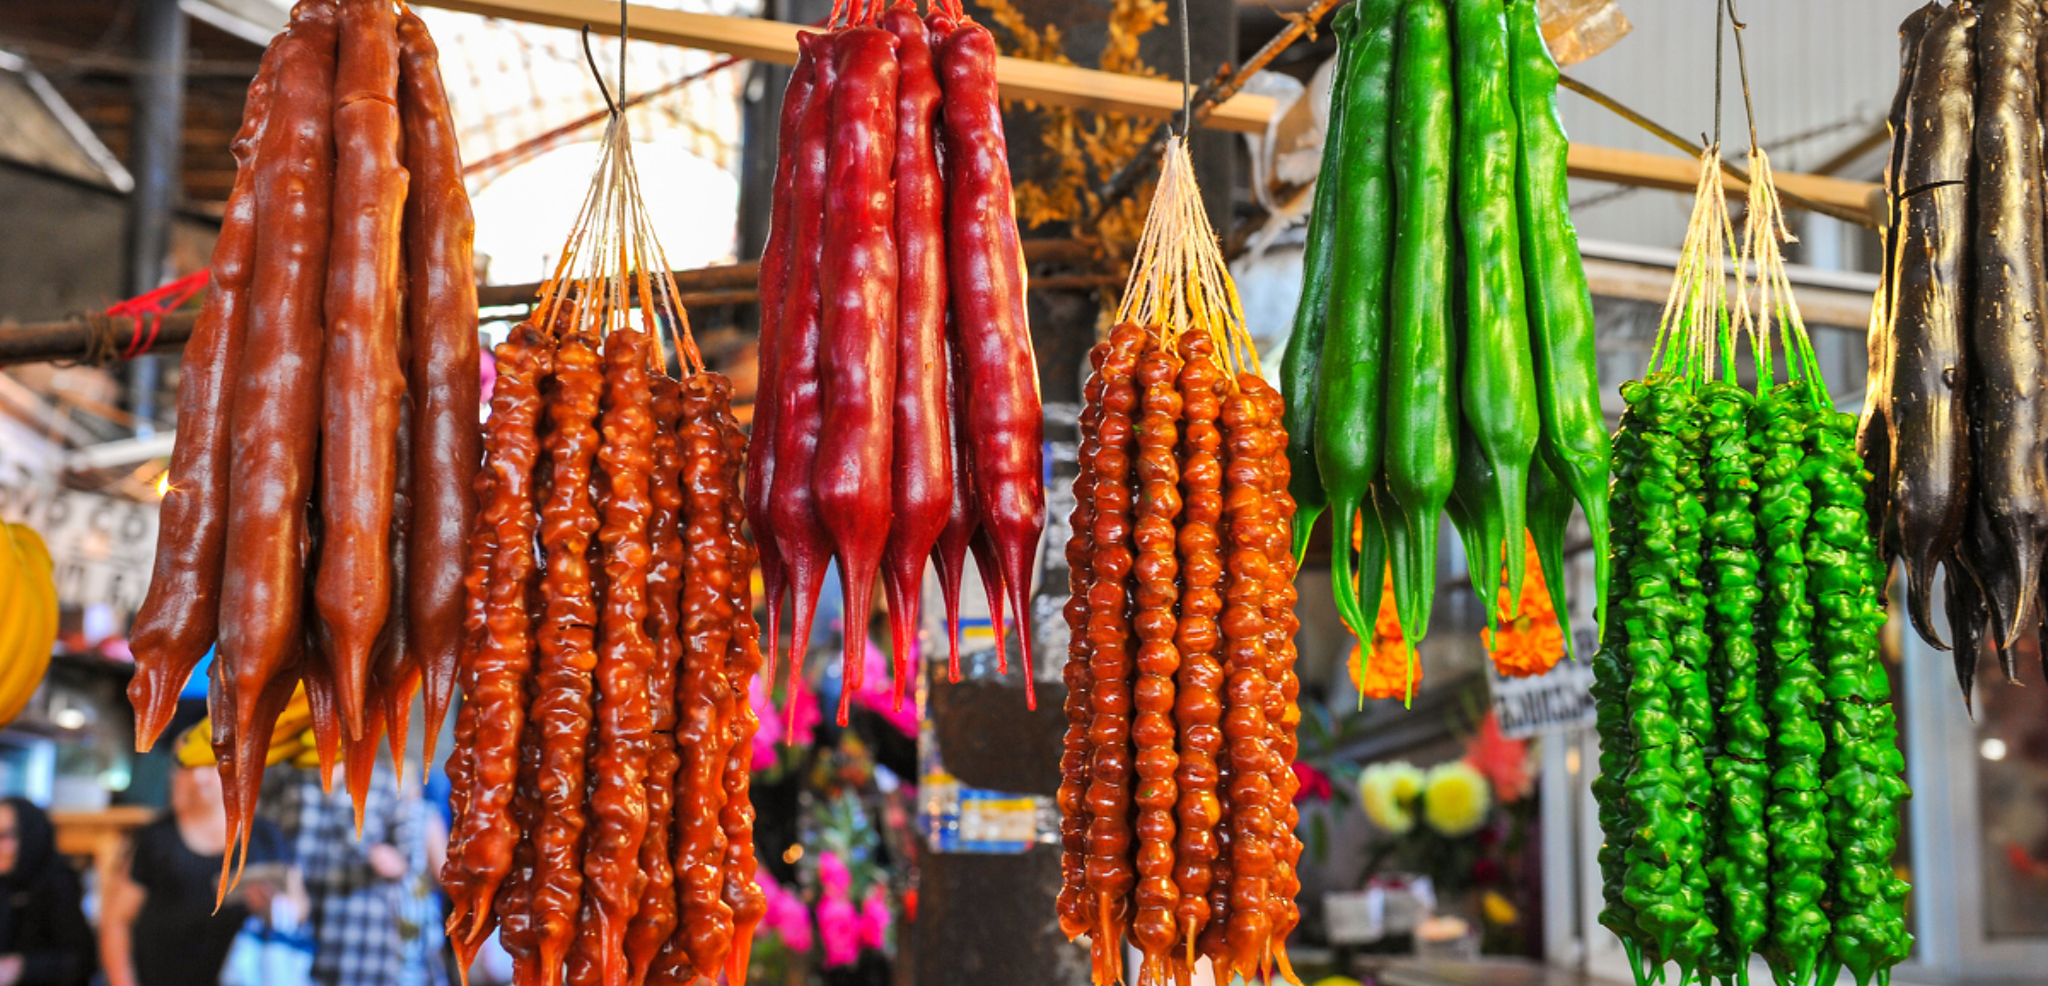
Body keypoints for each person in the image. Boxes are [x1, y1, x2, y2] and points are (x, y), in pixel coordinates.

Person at [98, 765, 290, 986]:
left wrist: (274, 906)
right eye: (187, 768)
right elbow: (116, 920)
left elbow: (298, 907)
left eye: (211, 767)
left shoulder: (265, 836)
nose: (199, 778)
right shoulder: (156, 837)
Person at [259, 758, 421, 986]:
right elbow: (261, 832)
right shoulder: (287, 774)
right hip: (293, 925)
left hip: (361, 933)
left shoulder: (385, 782)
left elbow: (407, 858)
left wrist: (389, 860)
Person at [0, 798, 93, 986]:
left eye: (5, 836)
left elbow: (81, 961)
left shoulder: (57, 885)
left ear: (29, 835)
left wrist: (22, 967)